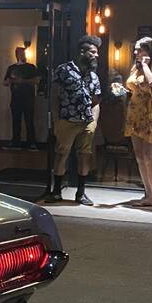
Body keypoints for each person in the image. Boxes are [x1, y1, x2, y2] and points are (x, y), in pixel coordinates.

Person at [49, 35, 102, 204]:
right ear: (82, 52)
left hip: (87, 122)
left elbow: (96, 101)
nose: (96, 55)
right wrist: (56, 120)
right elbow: (54, 96)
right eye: (93, 52)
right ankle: (56, 191)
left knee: (85, 156)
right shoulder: (64, 70)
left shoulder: (93, 76)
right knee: (61, 154)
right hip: (67, 120)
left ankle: (81, 193)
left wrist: (94, 122)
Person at [124, 36, 152, 214]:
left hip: (149, 112)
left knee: (149, 157)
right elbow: (132, 84)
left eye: (140, 49)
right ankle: (148, 194)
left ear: (149, 50)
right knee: (140, 156)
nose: (136, 52)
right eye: (135, 49)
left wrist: (144, 66)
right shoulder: (135, 66)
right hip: (135, 111)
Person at [4, 46, 40, 149]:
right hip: (15, 98)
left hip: (28, 98)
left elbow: (36, 80)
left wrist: (22, 81)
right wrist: (9, 81)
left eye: (23, 53)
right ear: (16, 55)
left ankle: (31, 142)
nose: (22, 55)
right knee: (16, 121)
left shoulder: (31, 67)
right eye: (20, 53)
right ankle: (16, 142)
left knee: (29, 121)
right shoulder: (11, 68)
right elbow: (5, 82)